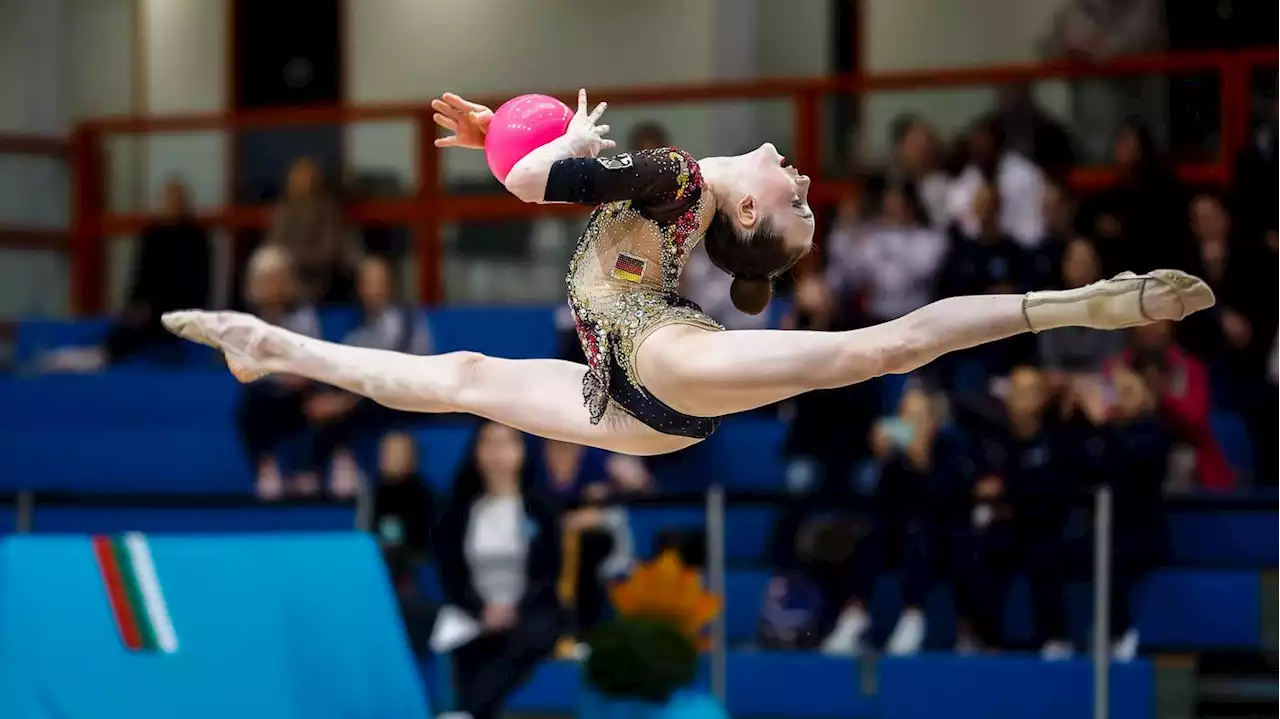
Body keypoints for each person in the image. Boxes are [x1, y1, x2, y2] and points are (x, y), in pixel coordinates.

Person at [163, 90, 1216, 458]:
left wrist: (524, 149)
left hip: (654, 361)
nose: (800, 172)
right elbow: (567, 174)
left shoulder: (672, 174)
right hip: (623, 392)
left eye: (793, 195)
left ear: (745, 212)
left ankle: (1091, 300)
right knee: (458, 376)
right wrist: (533, 138)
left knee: (877, 349)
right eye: (804, 187)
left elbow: (540, 186)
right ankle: (269, 347)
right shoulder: (663, 185)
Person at [433, 422, 564, 719]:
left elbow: (548, 573)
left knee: (531, 633)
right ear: (475, 452)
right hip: (474, 610)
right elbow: (450, 572)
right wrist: (482, 609)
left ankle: (466, 713)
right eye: (489, 443)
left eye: (507, 443)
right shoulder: (457, 511)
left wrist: (512, 610)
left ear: (522, 451)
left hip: (530, 610)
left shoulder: (540, 508)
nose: (498, 453)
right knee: (466, 641)